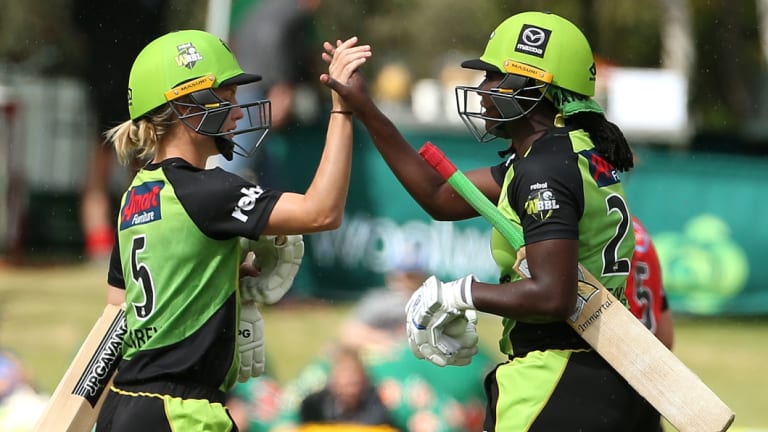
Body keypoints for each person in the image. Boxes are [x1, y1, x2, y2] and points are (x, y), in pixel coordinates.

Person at [325, 11, 659, 431]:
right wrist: (366, 108)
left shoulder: (544, 169)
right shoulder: (567, 153)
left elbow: (554, 295)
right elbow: (439, 197)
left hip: (554, 381)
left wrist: (459, 293)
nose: (481, 92)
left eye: (493, 79)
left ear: (532, 87)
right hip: (608, 375)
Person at [93, 29, 370, 431]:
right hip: (182, 414)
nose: (239, 111)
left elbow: (123, 307)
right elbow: (321, 212)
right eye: (227, 97)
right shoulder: (211, 191)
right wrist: (342, 111)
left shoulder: (135, 194)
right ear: (190, 104)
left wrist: (216, 279)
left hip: (126, 407)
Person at [72, 0, 169, 261]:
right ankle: (100, 243)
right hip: (108, 79)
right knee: (103, 163)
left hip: (136, 80)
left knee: (140, 165)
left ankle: (141, 235)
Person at [216, 0, 324, 186]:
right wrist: (283, 87)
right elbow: (271, 39)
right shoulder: (292, 11)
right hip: (256, 91)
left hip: (245, 87)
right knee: (234, 166)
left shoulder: (267, 7)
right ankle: (212, 210)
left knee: (263, 169)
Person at [625, 216, 674, 431]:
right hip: (647, 387)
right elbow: (666, 337)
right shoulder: (638, 229)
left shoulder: (595, 231)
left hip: (604, 378)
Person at [299, 345, 395, 430]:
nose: (350, 386)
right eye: (345, 380)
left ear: (363, 380)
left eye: (354, 381)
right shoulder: (316, 406)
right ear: (333, 381)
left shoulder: (376, 403)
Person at [627, 216, 674, 350]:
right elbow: (666, 338)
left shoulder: (597, 228)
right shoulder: (636, 226)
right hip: (650, 356)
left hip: (613, 355)